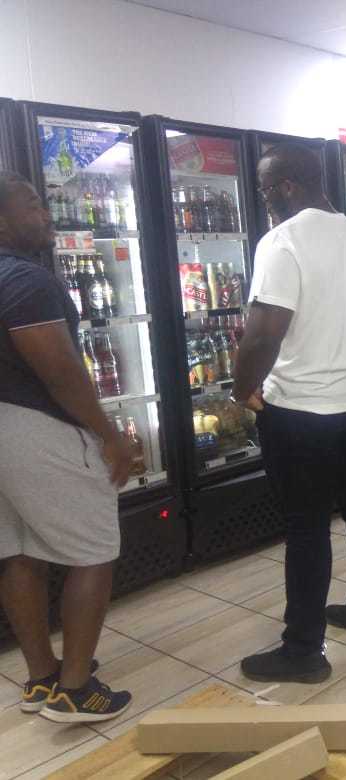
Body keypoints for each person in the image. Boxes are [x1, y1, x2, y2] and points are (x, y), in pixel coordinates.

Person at [233, 144, 346, 683]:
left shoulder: (283, 241)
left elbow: (263, 332)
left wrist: (242, 388)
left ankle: (303, 651)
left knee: (306, 527)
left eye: (265, 190)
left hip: (299, 411)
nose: (264, 201)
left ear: (287, 186)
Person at [0, 171, 132, 722]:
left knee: (19, 550)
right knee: (94, 549)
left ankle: (42, 677)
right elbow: (59, 371)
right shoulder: (26, 281)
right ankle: (76, 690)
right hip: (36, 426)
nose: (45, 213)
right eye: (33, 204)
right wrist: (109, 435)